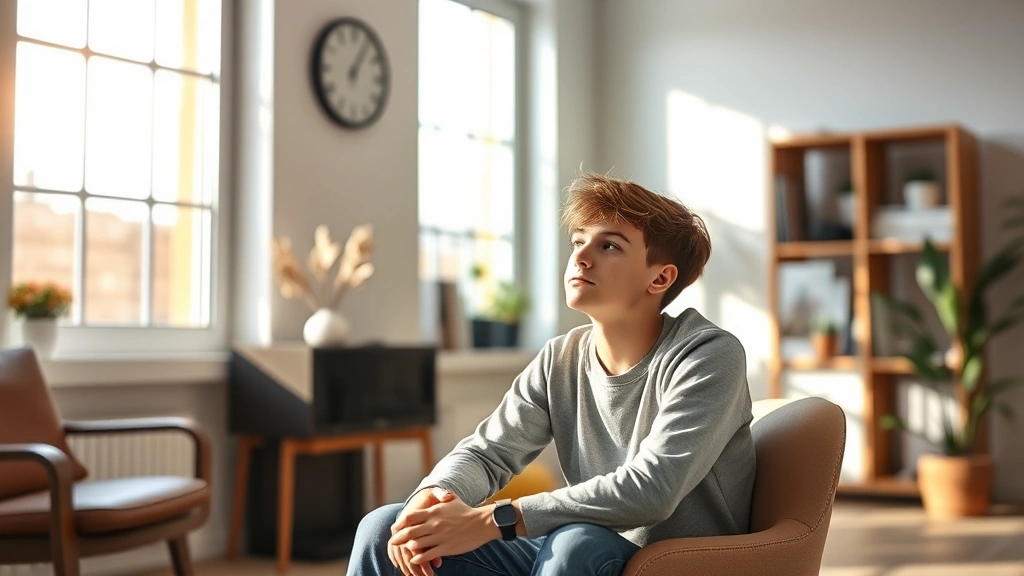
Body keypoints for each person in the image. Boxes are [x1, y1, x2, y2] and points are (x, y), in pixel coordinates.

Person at [347, 173, 755, 576]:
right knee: (385, 529)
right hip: (581, 546)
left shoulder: (708, 355)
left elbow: (652, 489)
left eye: (609, 245)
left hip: (674, 561)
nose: (580, 256)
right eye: (579, 241)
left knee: (573, 543)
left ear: (660, 277)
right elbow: (488, 452)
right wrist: (433, 496)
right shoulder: (560, 357)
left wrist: (491, 520)